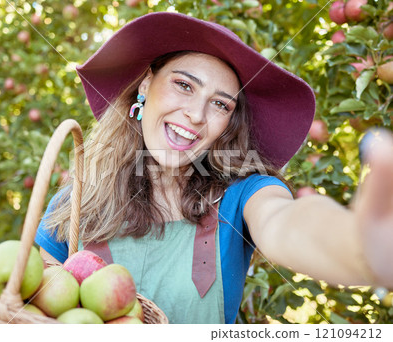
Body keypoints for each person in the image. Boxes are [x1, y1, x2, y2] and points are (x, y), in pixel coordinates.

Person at [35, 12, 393, 324]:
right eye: (183, 85)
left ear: (229, 124)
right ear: (146, 84)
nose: (196, 114)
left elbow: (286, 223)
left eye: (220, 105)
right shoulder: (81, 198)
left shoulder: (244, 194)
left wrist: (358, 247)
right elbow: (33, 302)